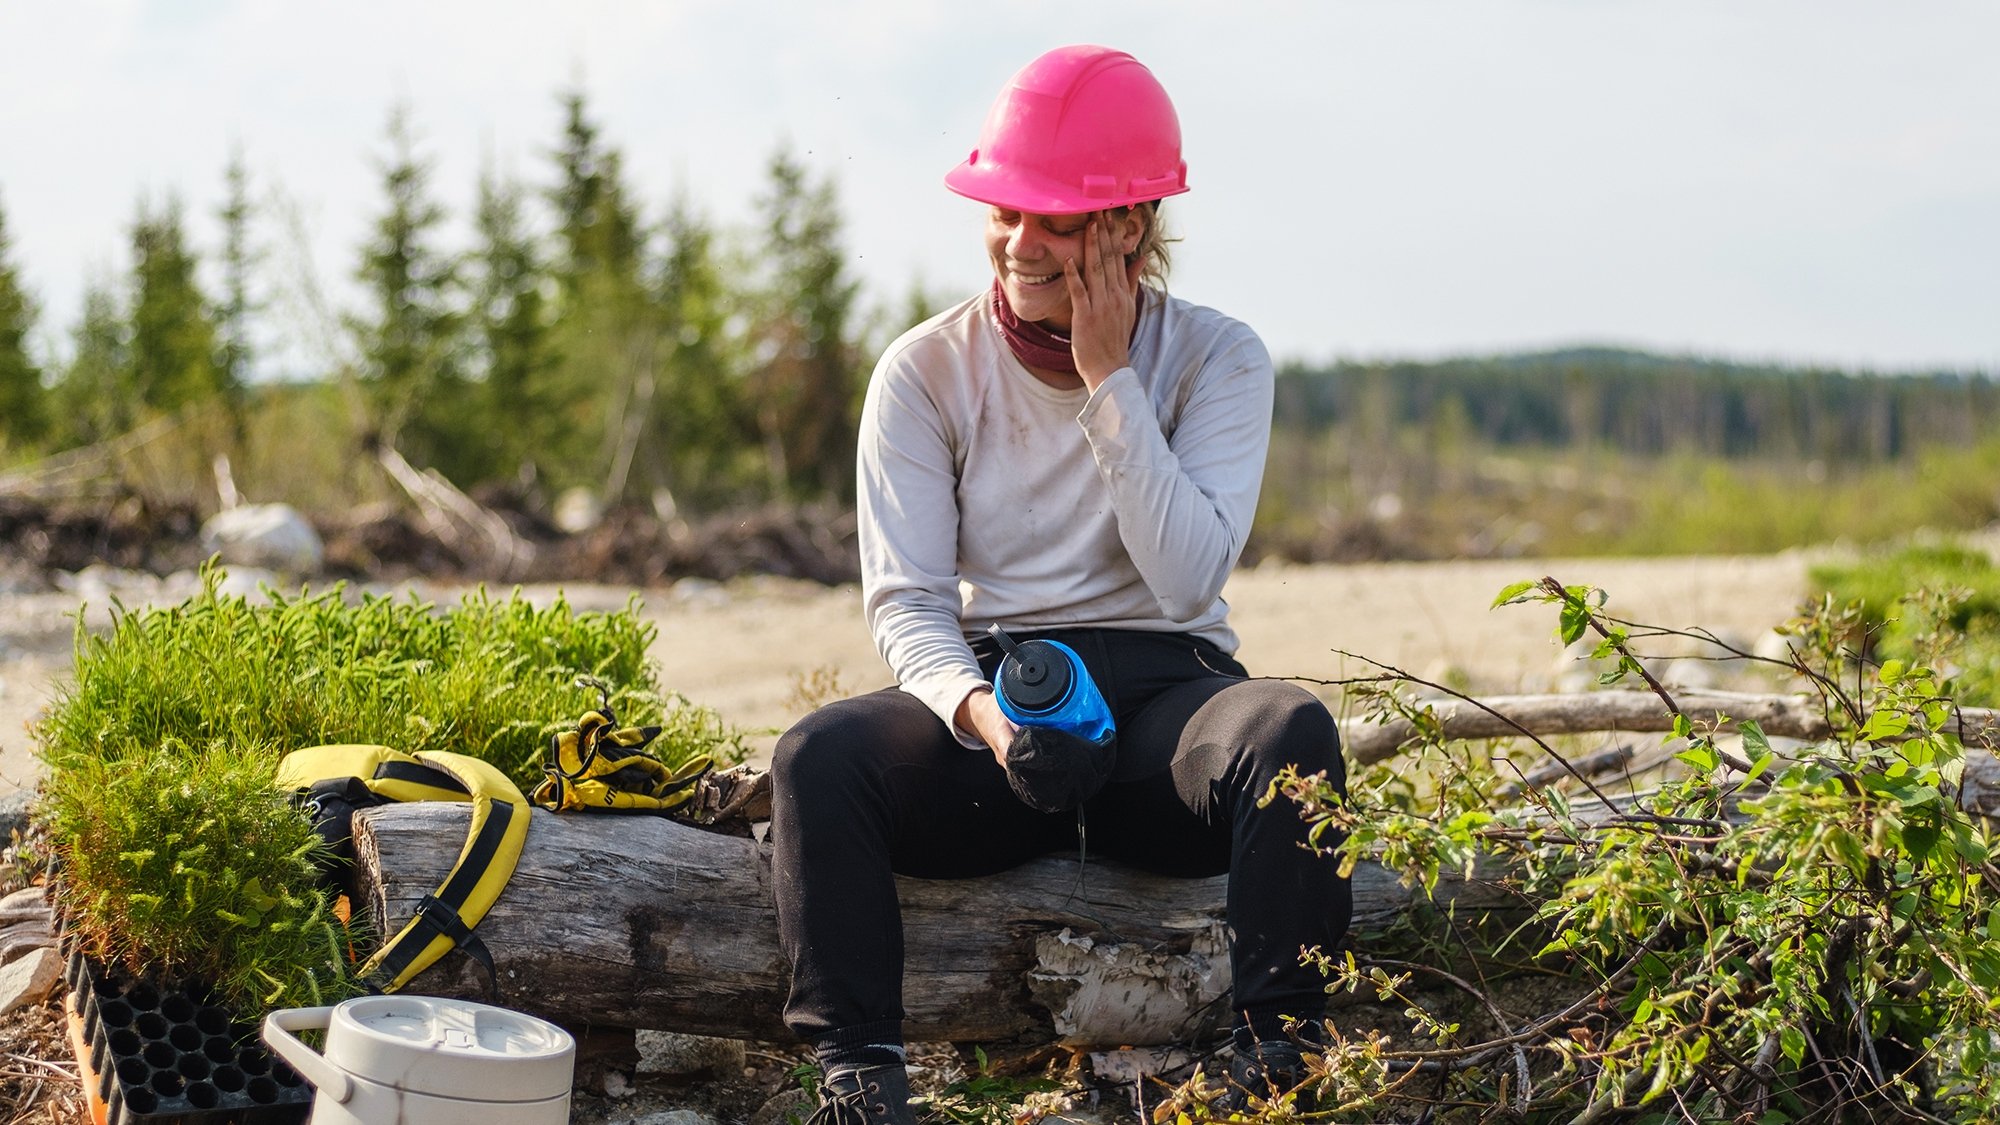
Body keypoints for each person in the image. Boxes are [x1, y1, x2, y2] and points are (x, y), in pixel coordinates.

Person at [770, 44, 1350, 1124]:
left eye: (1056, 219)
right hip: (1000, 711)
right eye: (1004, 212)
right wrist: (989, 722)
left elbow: (1182, 583)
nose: (1020, 244)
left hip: (1163, 715)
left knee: (1289, 730)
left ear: (1128, 224)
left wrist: (1108, 381)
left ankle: (1279, 1068)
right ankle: (858, 1084)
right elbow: (906, 601)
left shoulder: (1219, 360)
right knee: (817, 756)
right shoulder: (923, 372)